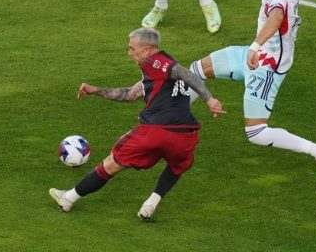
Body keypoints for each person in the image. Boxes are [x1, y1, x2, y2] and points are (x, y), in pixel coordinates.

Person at [188, 0, 316, 177]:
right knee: (195, 71)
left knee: (257, 132)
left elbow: (276, 18)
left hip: (266, 68)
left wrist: (254, 47)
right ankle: (171, 120)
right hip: (253, 56)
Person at [49, 27, 226, 220]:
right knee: (176, 167)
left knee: (110, 164)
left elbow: (188, 75)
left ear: (148, 49)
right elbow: (129, 94)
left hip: (154, 132)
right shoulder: (156, 73)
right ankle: (150, 205)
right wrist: (95, 90)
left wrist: (209, 99)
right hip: (184, 137)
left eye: (133, 49)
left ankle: (68, 198)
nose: (129, 53)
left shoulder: (156, 62)